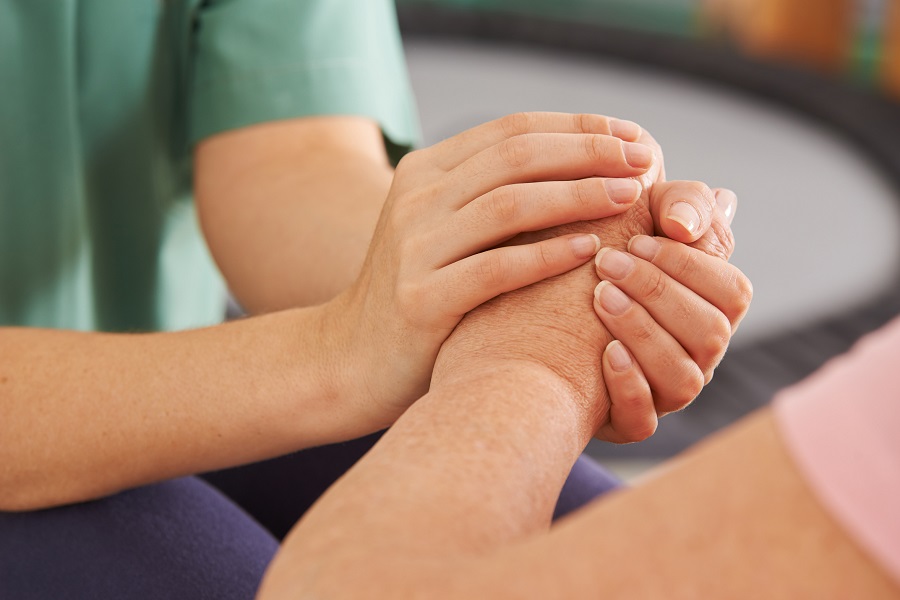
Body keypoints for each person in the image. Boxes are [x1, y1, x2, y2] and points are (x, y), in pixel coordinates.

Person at [0, 1, 746, 598]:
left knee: (604, 553)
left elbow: (289, 156)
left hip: (162, 365)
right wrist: (330, 352)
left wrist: (503, 270)